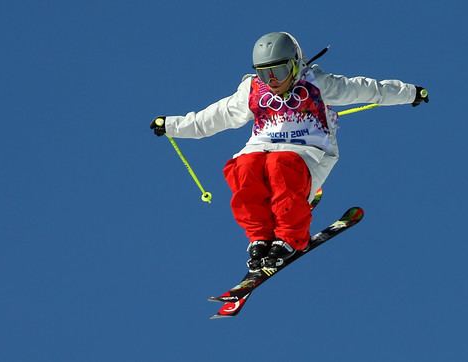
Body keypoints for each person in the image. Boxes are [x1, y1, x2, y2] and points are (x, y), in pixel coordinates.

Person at [150, 32, 428, 271]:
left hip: (308, 151)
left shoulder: (317, 83)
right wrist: (174, 126)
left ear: (295, 64)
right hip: (263, 145)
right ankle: (259, 237)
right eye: (264, 72)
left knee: (280, 166)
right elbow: (213, 117)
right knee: (243, 167)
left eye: (279, 71)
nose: (272, 80)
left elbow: (367, 89)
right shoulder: (253, 90)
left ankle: (290, 237)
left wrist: (410, 93)